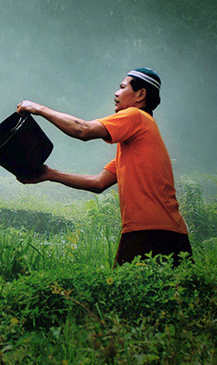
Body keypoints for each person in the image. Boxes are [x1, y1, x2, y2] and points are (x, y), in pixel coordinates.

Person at [16, 67, 192, 266]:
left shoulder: (136, 116)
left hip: (149, 232)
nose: (116, 93)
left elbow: (82, 129)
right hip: (173, 232)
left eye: (123, 87)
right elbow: (98, 183)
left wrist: (38, 108)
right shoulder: (137, 142)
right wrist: (50, 174)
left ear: (140, 94)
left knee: (126, 294)